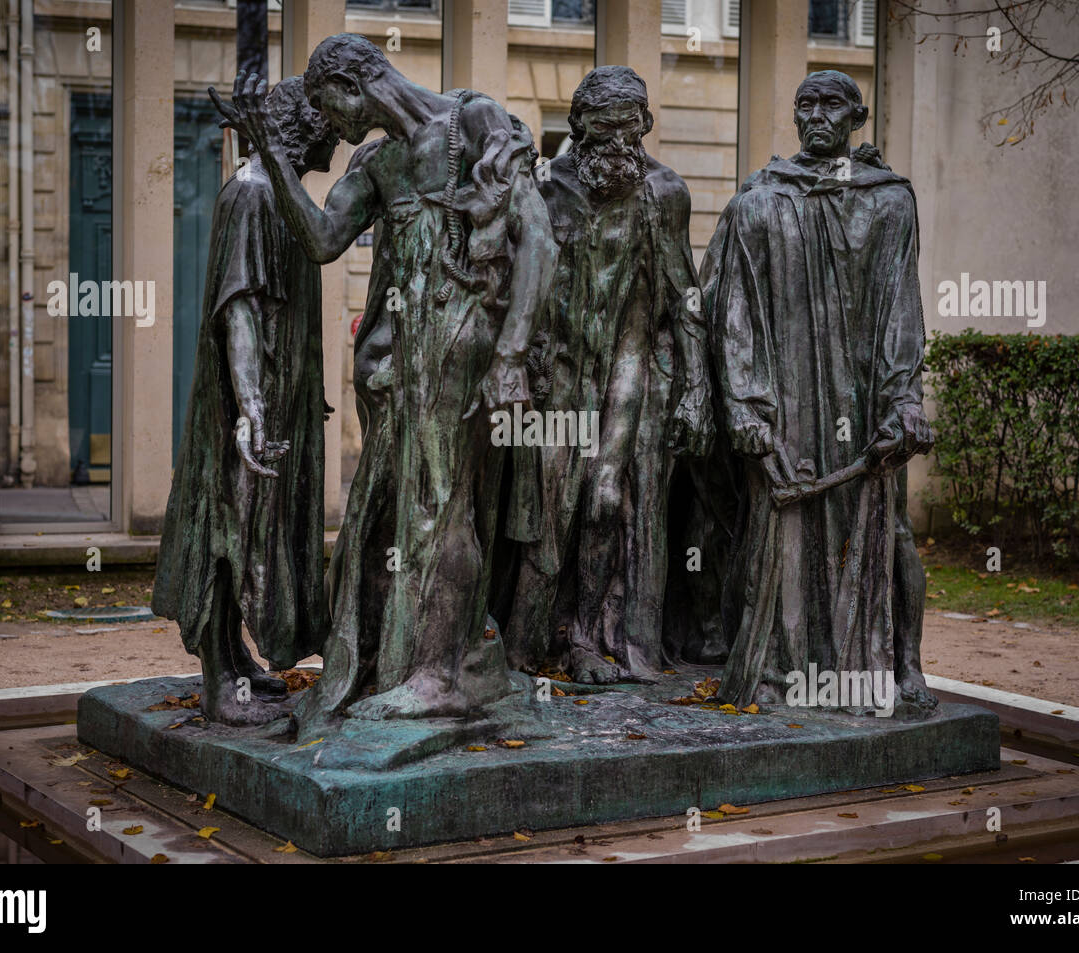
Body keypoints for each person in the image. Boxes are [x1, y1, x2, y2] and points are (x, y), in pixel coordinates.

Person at [214, 34, 556, 725]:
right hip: (400, 373)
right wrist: (275, 161)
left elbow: (538, 239)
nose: (330, 130)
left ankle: (439, 676)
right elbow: (320, 239)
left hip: (463, 353)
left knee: (441, 509)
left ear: (351, 86)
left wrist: (513, 357)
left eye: (326, 108)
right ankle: (395, 660)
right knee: (390, 521)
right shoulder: (377, 162)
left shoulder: (474, 122)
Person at [705, 70, 936, 712]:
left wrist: (904, 399)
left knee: (889, 530)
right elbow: (733, 312)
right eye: (804, 103)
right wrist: (746, 407)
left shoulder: (890, 201)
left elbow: (901, 307)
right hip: (786, 403)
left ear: (857, 118)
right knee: (773, 529)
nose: (815, 115)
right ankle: (781, 666)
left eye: (830, 104)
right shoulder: (759, 201)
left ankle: (903, 665)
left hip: (865, 402)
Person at [499, 66, 712, 684]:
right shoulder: (543, 187)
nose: (618, 143)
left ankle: (590, 640)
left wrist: (696, 386)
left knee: (604, 500)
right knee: (544, 510)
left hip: (627, 364)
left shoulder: (664, 193)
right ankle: (522, 643)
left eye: (629, 127)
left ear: (645, 125)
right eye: (602, 129)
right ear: (578, 127)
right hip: (557, 372)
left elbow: (684, 295)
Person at [153, 76, 337, 725]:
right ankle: (217, 679)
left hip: (272, 403)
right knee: (231, 531)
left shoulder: (281, 199)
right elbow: (239, 311)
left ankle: (234, 654)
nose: (338, 136)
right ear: (301, 130)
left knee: (257, 529)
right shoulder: (253, 196)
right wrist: (251, 405)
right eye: (329, 125)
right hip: (243, 407)